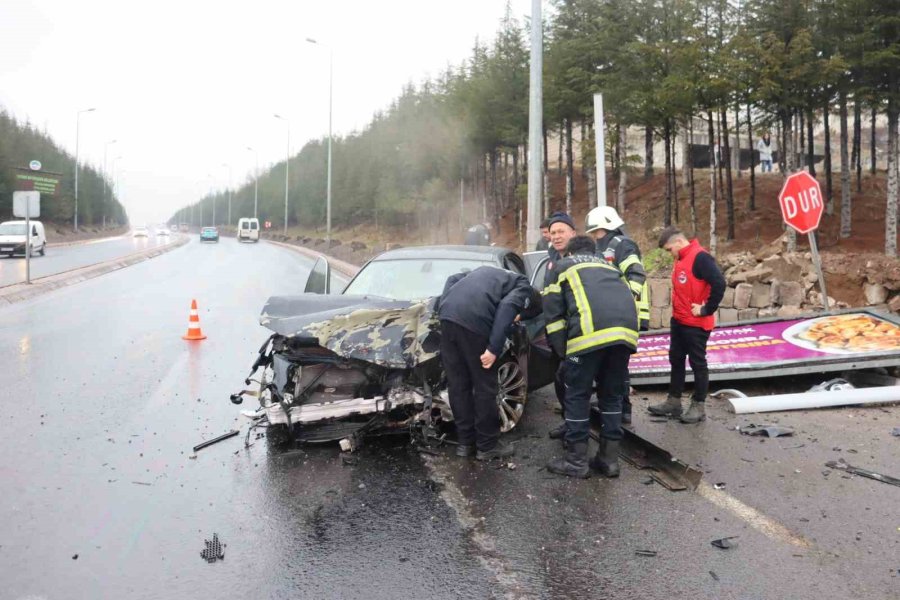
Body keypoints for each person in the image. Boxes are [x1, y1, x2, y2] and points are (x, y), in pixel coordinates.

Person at [542, 235, 639, 478]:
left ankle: (576, 462)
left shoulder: (562, 266)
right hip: (624, 337)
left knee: (577, 394)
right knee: (612, 396)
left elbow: (552, 316)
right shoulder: (610, 266)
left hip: (587, 340)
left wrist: (563, 354)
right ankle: (608, 460)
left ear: (570, 252)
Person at [438, 266, 542, 460]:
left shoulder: (483, 272)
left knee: (458, 386)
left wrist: (445, 307)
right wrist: (493, 349)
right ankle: (487, 446)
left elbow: (452, 277)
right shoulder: (523, 285)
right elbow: (506, 308)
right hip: (474, 323)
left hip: (447, 318)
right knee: (485, 386)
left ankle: (465, 444)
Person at [648, 227, 726, 424]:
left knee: (698, 363)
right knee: (676, 358)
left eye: (669, 249)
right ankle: (674, 401)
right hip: (680, 320)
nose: (669, 254)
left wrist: (706, 309)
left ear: (678, 243)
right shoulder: (681, 257)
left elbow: (719, 283)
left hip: (696, 323)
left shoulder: (701, 258)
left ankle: (698, 405)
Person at [584, 205, 650, 425]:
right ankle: (615, 405)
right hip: (613, 315)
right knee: (613, 364)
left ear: (608, 226)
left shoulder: (622, 245)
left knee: (618, 366)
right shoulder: (605, 248)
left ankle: (622, 409)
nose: (594, 236)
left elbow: (636, 274)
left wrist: (625, 302)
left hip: (624, 315)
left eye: (597, 231)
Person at [542, 212, 578, 440]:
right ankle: (569, 421)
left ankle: (577, 434)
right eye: (553, 233)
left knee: (576, 382)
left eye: (561, 231)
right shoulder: (552, 260)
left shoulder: (584, 255)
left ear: (573, 233)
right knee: (560, 378)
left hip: (580, 331)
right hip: (557, 331)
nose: (556, 236)